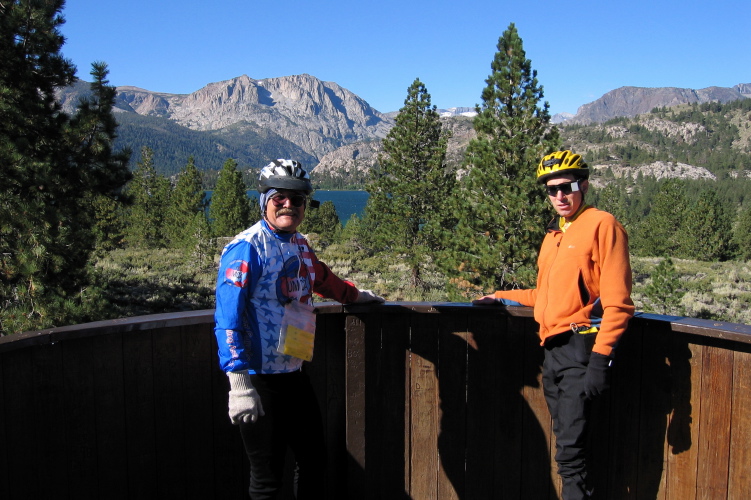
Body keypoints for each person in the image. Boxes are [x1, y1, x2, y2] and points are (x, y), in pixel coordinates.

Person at [214, 159, 384, 499]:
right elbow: (227, 319)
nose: (289, 205)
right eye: (280, 198)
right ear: (265, 201)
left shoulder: (299, 244)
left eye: (298, 199)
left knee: (313, 461)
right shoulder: (247, 248)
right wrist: (239, 385)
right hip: (258, 380)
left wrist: (357, 295)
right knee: (267, 478)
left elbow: (321, 278)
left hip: (294, 371)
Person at [473, 150, 634, 500]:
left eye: (567, 186)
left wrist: (599, 359)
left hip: (581, 350)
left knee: (571, 455)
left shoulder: (602, 225)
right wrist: (500, 296)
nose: (559, 196)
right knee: (566, 443)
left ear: (584, 185)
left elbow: (619, 302)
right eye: (551, 189)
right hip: (552, 354)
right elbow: (545, 294)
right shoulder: (553, 235)